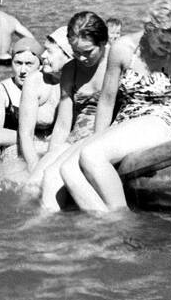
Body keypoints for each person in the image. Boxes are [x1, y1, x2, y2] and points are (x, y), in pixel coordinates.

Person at [60, 0, 171, 214]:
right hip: (125, 122)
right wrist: (98, 136)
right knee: (69, 170)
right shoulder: (123, 49)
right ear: (150, 27)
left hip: (161, 121)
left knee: (92, 156)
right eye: (163, 41)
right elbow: (107, 100)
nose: (168, 49)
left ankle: (122, 220)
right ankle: (107, 225)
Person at [28, 15, 111, 210]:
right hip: (75, 137)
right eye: (75, 52)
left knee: (52, 179)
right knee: (31, 186)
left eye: (87, 52)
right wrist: (51, 156)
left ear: (103, 43)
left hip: (103, 135)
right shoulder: (70, 70)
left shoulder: (114, 64)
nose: (81, 58)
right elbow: (64, 124)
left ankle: (50, 228)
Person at [0, 37, 59, 165]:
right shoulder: (1, 90)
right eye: (18, 63)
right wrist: (35, 140)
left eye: (29, 64)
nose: (23, 71)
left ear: (41, 64)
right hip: (13, 153)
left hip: (42, 150)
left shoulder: (51, 86)